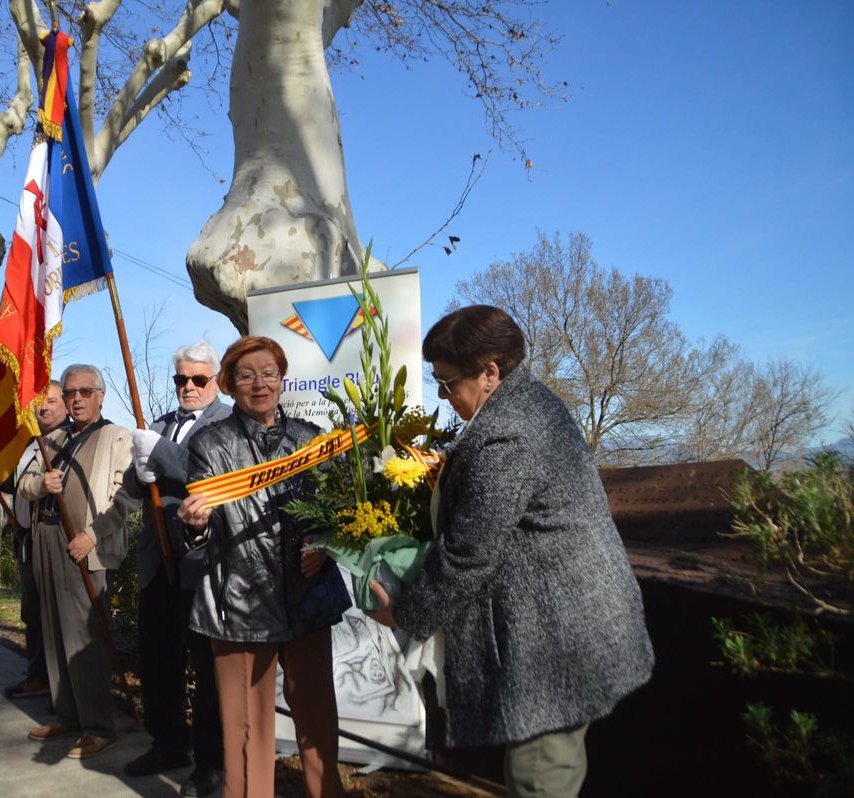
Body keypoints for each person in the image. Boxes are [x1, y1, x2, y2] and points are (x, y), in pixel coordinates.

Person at [366, 305, 655, 798]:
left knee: (538, 778)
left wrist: (407, 613)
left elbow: (468, 556)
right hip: (574, 626)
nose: (444, 395)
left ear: (490, 372)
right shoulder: (530, 405)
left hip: (554, 646)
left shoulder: (506, 435)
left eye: (448, 382)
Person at [179, 336, 350, 798]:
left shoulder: (310, 439)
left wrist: (326, 542)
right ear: (230, 384)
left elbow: (336, 510)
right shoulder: (210, 444)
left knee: (318, 725)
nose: (260, 384)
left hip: (308, 598)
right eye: (247, 375)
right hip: (239, 603)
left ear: (282, 379)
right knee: (246, 733)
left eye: (269, 373)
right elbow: (204, 525)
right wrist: (194, 526)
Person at [122, 341, 230, 797]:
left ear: (215, 380)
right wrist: (139, 467)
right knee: (158, 661)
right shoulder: (162, 423)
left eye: (198, 379)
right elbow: (132, 488)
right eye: (181, 379)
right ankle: (168, 743)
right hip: (157, 562)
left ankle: (210, 763)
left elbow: (211, 474)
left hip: (202, 563)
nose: (188, 387)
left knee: (206, 670)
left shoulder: (227, 423)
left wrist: (160, 454)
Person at [19, 364, 134, 759]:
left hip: (84, 544)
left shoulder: (117, 436)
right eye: (71, 392)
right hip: (45, 539)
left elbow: (126, 497)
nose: (78, 398)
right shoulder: (54, 440)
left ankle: (98, 725)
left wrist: (92, 535)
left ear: (100, 395)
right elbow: (25, 483)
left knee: (85, 639)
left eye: (86, 391)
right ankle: (67, 714)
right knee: (52, 631)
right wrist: (40, 485)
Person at [4, 380, 71, 700]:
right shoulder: (30, 441)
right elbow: (16, 484)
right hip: (25, 536)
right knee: (32, 611)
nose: (43, 407)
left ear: (65, 404)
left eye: (52, 401)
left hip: (53, 538)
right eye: (39, 403)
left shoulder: (69, 440)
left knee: (52, 614)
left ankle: (61, 685)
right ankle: (38, 675)